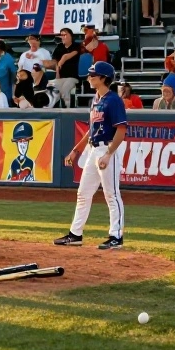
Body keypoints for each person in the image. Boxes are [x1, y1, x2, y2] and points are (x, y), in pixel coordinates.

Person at [55, 61, 127, 250]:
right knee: (83, 194)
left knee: (111, 195)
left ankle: (116, 236)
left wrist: (109, 154)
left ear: (103, 78)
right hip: (94, 149)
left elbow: (121, 130)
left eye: (93, 75)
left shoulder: (113, 100)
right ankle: (75, 234)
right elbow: (90, 130)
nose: (89, 78)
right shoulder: (96, 98)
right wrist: (75, 150)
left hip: (107, 149)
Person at [47, 28, 81, 108]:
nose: (62, 37)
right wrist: (57, 74)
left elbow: (70, 55)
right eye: (61, 35)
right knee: (52, 89)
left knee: (65, 90)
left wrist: (63, 58)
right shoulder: (59, 47)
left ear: (71, 36)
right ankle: (50, 109)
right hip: (60, 76)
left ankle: (67, 111)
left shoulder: (76, 46)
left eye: (65, 35)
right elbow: (55, 62)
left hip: (72, 77)